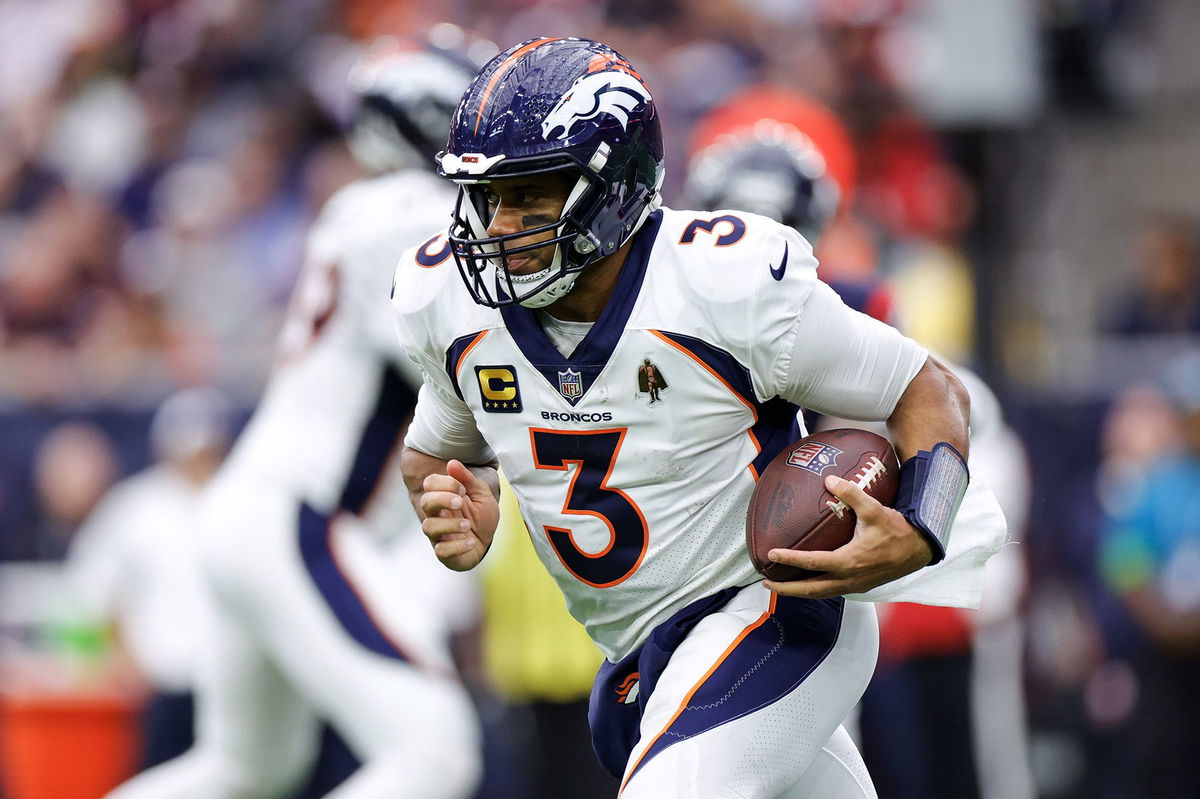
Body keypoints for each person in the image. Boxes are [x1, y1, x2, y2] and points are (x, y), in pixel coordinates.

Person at [394, 37, 1006, 798]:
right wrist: (457, 505)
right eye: (487, 199)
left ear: (612, 185)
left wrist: (921, 525)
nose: (500, 228)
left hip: (777, 613)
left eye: (531, 195)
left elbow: (929, 388)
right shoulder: (449, 304)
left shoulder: (720, 284)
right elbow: (434, 451)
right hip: (639, 654)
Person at [107, 31, 488, 799]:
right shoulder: (413, 212)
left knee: (246, 768)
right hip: (298, 515)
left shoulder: (368, 207)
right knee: (434, 748)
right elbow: (452, 360)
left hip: (257, 511)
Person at [65, 388, 233, 770]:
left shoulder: (236, 501)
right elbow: (92, 590)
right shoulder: (134, 507)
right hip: (161, 685)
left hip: (227, 681)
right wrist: (121, 659)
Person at [1099, 351, 1200, 799]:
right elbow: (1125, 562)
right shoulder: (1158, 484)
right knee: (1169, 756)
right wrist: (1161, 622)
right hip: (1166, 650)